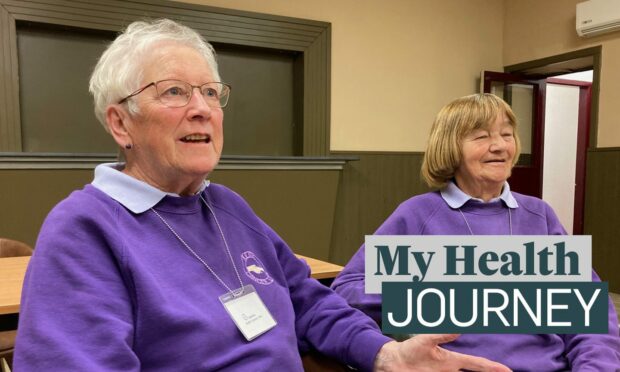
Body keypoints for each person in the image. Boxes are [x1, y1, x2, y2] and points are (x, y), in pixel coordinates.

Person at [12, 20, 510, 371]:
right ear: (121, 123)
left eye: (211, 92)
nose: (202, 108)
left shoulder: (227, 206)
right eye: (174, 92)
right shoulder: (83, 229)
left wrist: (384, 353)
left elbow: (312, 302)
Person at [331, 93, 620, 371]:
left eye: (506, 135)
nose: (499, 146)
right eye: (482, 137)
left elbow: (590, 314)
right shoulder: (418, 215)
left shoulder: (539, 216)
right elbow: (347, 289)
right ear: (450, 148)